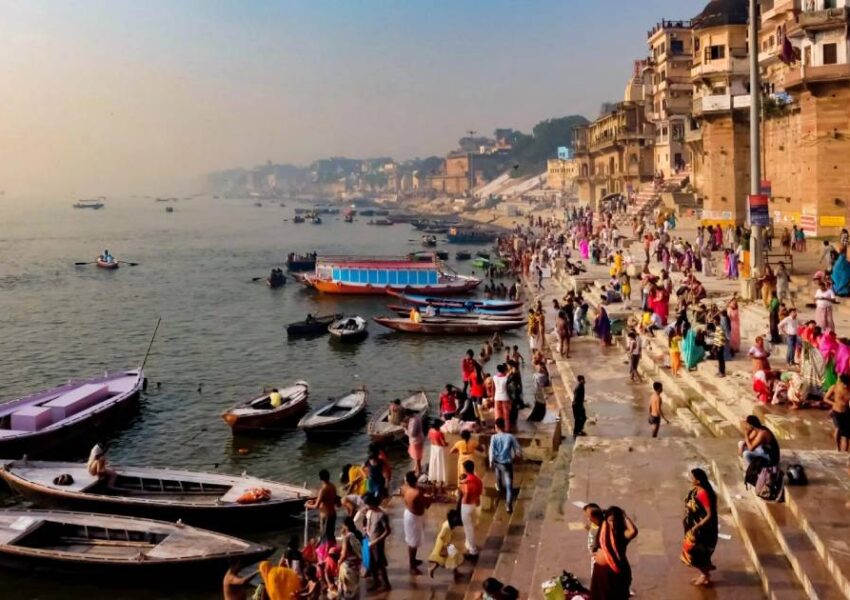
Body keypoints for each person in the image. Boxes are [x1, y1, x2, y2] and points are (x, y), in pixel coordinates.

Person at [590, 506, 638, 600]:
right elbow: (591, 513)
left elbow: (633, 531)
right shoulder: (603, 530)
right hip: (601, 574)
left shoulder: (622, 534)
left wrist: (624, 516)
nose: (613, 523)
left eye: (615, 521)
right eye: (610, 520)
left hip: (615, 573)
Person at [681, 468, 718, 587]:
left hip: (702, 531)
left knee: (695, 553)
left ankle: (705, 575)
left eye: (692, 477)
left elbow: (709, 514)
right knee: (695, 552)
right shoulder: (696, 490)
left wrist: (697, 526)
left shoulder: (703, 494)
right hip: (693, 527)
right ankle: (705, 571)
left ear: (698, 480)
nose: (689, 478)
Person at [489, 418, 522, 514]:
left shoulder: (494, 438)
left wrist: (491, 461)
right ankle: (508, 505)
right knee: (509, 485)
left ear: (496, 427)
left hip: (497, 463)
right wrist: (518, 453)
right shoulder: (510, 437)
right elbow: (517, 448)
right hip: (507, 463)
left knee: (498, 477)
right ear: (504, 426)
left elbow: (491, 450)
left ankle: (499, 488)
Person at [402, 470, 430, 575]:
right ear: (416, 480)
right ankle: (412, 566)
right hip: (414, 518)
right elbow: (427, 505)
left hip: (409, 514)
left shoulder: (405, 488)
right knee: (413, 542)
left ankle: (413, 560)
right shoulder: (417, 493)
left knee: (412, 540)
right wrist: (431, 496)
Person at [364, 493, 392, 591]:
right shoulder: (370, 512)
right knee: (372, 564)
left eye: (367, 504)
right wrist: (366, 531)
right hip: (370, 541)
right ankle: (376, 582)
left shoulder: (382, 515)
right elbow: (369, 524)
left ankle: (386, 585)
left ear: (371, 503)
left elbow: (388, 531)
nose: (366, 506)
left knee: (380, 564)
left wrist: (376, 541)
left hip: (377, 543)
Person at [428, 508, 465, 581]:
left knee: (453, 556)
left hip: (447, 543)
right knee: (443, 559)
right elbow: (441, 536)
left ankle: (455, 572)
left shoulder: (450, 524)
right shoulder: (446, 526)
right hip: (443, 544)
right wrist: (444, 546)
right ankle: (432, 569)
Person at [305, 469, 338, 544]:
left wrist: (307, 505)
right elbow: (328, 499)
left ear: (320, 478)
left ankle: (326, 552)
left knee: (325, 536)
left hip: (326, 516)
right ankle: (332, 549)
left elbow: (316, 506)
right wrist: (313, 501)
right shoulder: (332, 486)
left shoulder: (323, 490)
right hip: (332, 514)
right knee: (331, 535)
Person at [458, 459, 482, 558]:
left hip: (467, 505)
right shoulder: (477, 479)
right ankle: (468, 544)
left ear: (465, 469)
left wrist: (464, 498)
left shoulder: (468, 481)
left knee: (468, 528)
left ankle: (473, 549)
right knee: (470, 526)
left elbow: (467, 493)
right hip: (475, 503)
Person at [337, 517, 363, 599]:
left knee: (346, 591)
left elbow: (344, 554)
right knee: (354, 588)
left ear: (345, 525)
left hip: (348, 566)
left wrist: (339, 561)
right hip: (356, 564)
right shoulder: (358, 533)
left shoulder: (346, 537)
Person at [824, 373, 850, 452]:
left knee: (846, 435)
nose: (845, 386)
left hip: (846, 412)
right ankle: (838, 448)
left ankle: (845, 452)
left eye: (847, 384)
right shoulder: (834, 388)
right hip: (836, 411)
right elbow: (825, 398)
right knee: (838, 429)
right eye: (844, 384)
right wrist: (834, 404)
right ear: (841, 382)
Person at [583, 503, 604, 579]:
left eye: (589, 517)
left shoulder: (602, 528)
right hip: (593, 554)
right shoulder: (594, 524)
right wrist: (589, 529)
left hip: (597, 555)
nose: (588, 519)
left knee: (596, 575)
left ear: (596, 517)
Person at [427, 420, 449, 488]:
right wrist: (448, 443)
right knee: (440, 465)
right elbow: (443, 444)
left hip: (433, 448)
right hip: (439, 449)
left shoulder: (430, 431)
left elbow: (429, 438)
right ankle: (441, 482)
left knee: (434, 464)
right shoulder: (440, 433)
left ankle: (434, 480)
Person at [492, 363, 511, 432]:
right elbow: (507, 389)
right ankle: (506, 429)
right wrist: (510, 399)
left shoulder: (494, 377)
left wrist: (492, 397)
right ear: (503, 370)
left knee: (497, 414)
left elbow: (493, 389)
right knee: (506, 414)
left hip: (497, 397)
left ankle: (497, 428)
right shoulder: (506, 378)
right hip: (505, 397)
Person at [406, 411, 425, 476]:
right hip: (419, 439)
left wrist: (405, 429)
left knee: (416, 457)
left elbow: (412, 434)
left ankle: (419, 471)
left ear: (408, 415)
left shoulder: (413, 421)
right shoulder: (417, 416)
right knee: (417, 456)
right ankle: (416, 468)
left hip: (415, 441)